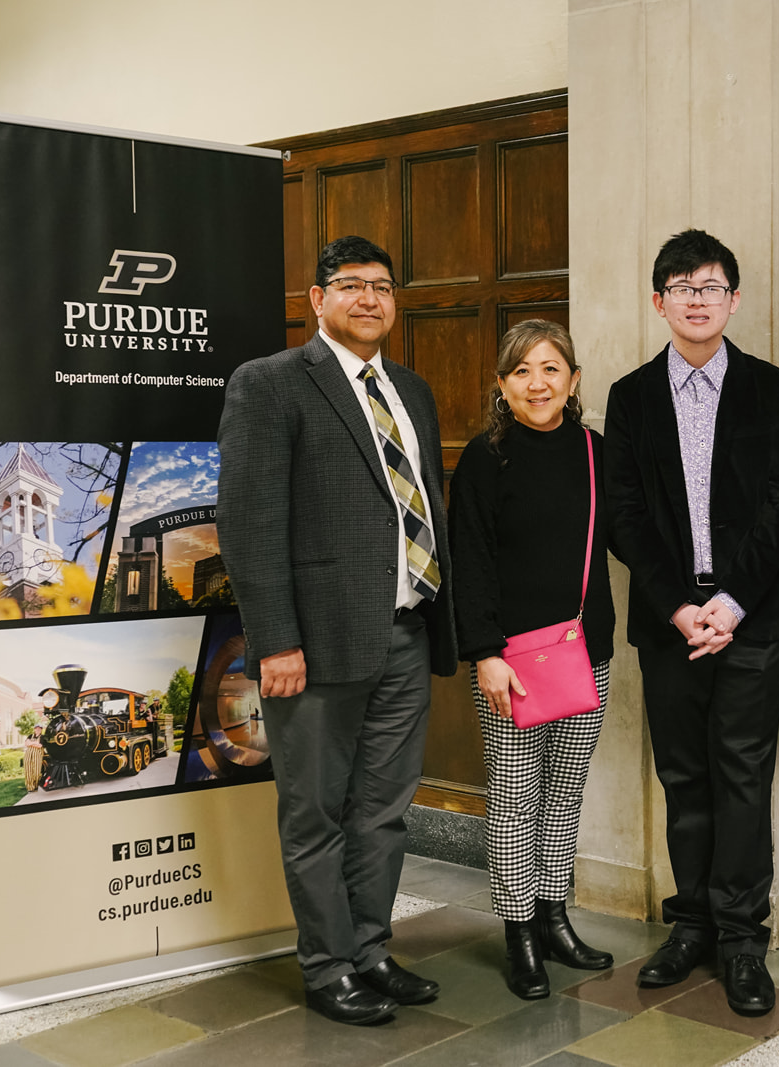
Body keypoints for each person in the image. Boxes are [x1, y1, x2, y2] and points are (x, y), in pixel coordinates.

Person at [218, 235, 459, 1026]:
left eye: (382, 286)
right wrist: (276, 641)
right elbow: (251, 524)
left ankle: (372, 950)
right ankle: (326, 967)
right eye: (349, 284)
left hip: (405, 632)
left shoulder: (411, 390)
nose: (368, 298)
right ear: (317, 298)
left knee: (384, 810)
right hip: (314, 646)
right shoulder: (272, 384)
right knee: (316, 810)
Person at [605, 229, 779, 1017]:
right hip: (669, 624)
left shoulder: (769, 386)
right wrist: (678, 605)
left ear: (733, 299)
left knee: (743, 776)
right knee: (684, 778)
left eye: (712, 285)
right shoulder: (630, 396)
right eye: (682, 286)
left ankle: (742, 938)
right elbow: (623, 514)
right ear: (659, 301)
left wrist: (731, 602)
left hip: (748, 623)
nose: (697, 298)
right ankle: (690, 924)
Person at [449, 319, 616, 1001]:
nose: (537, 382)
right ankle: (518, 929)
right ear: (502, 384)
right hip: (511, 663)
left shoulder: (597, 452)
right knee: (516, 800)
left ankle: (554, 914)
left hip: (585, 654)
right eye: (522, 370)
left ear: (573, 381)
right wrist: (485, 653)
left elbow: (629, 535)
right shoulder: (486, 460)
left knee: (565, 789)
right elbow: (471, 562)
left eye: (551, 369)